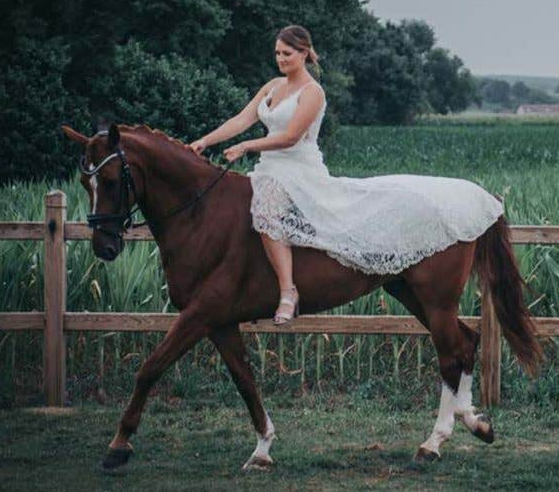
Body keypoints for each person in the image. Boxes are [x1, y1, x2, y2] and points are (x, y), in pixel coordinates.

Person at [190, 24, 503, 324]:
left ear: (304, 53)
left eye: (287, 53)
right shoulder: (272, 87)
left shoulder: (313, 92)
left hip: (298, 169)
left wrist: (247, 146)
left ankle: (288, 291)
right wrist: (205, 141)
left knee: (268, 206)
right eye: (277, 53)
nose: (281, 59)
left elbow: (290, 137)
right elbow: (241, 119)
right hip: (269, 168)